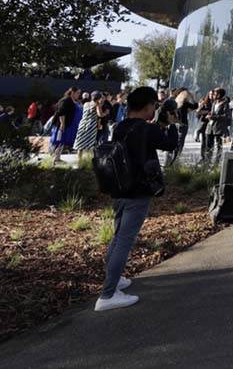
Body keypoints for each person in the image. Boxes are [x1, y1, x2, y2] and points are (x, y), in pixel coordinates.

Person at [94, 87, 177, 312]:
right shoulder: (146, 129)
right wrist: (172, 123)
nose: (154, 110)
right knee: (124, 240)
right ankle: (108, 294)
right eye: (154, 106)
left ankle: (115, 278)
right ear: (148, 105)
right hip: (138, 190)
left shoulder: (121, 126)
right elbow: (170, 144)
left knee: (118, 235)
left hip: (119, 187)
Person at [50, 87, 82, 164]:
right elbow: (61, 112)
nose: (79, 95)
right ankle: (56, 158)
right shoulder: (66, 100)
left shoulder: (75, 101)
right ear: (72, 93)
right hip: (65, 125)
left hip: (71, 125)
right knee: (60, 141)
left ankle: (58, 158)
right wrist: (62, 123)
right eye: (77, 93)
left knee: (63, 142)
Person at [73, 91, 105, 156]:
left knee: (80, 143)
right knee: (90, 143)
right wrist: (105, 113)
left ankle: (80, 161)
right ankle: (88, 160)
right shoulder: (97, 104)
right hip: (91, 125)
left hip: (83, 123)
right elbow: (100, 115)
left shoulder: (86, 104)